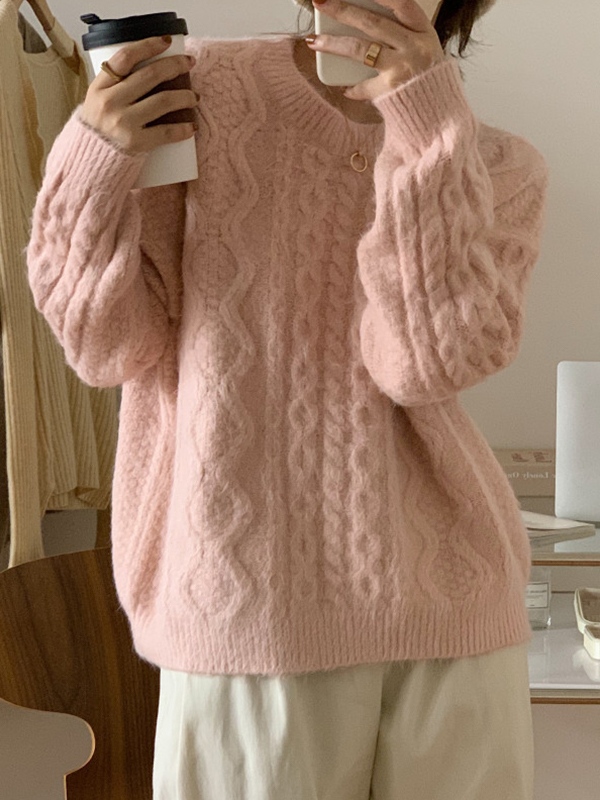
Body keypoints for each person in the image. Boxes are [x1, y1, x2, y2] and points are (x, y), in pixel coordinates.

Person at [27, 1, 548, 798]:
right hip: (243, 601)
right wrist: (91, 157)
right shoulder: (197, 93)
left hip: (455, 611)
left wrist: (427, 135)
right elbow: (108, 346)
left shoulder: (495, 164)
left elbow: (421, 365)